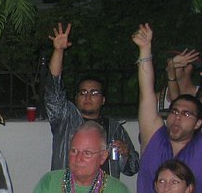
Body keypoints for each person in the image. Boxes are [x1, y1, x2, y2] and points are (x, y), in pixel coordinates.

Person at [132, 24, 202, 193]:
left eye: (186, 114)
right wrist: (145, 49)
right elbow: (146, 93)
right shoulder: (153, 137)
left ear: (198, 123)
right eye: (174, 112)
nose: (177, 117)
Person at [44, 23, 140, 178]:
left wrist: (126, 153)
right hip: (69, 192)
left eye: (94, 92)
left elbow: (132, 168)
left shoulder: (115, 129)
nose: (88, 96)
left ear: (103, 100)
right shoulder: (65, 119)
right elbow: (53, 88)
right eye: (83, 92)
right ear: (76, 98)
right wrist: (58, 51)